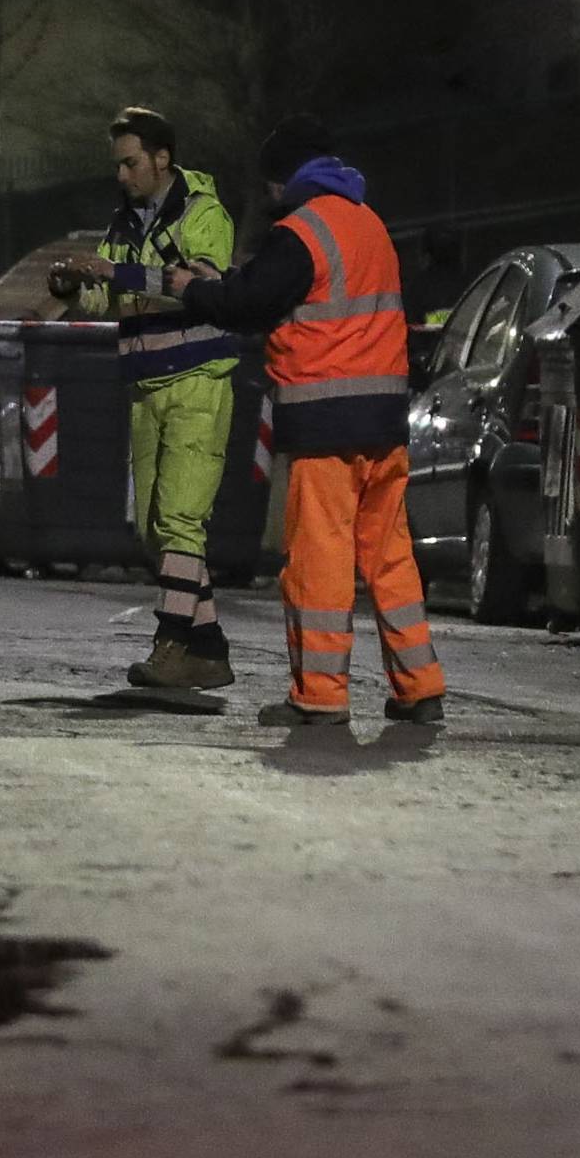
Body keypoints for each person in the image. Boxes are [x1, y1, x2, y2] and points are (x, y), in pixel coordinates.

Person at [167, 115, 447, 729]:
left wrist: (191, 287)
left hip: (325, 422)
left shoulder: (301, 230)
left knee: (320, 559)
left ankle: (319, 695)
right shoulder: (368, 224)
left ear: (281, 180)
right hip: (382, 419)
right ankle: (420, 686)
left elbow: (248, 306)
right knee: (390, 557)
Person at [49, 107, 239, 692]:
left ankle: (173, 646)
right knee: (156, 532)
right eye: (119, 165)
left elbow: (196, 288)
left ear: (162, 159)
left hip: (197, 383)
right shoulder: (125, 223)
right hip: (146, 387)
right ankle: (209, 652)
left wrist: (116, 272)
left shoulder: (206, 216)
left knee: (181, 522)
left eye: (131, 163)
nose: (122, 175)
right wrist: (75, 288)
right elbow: (108, 305)